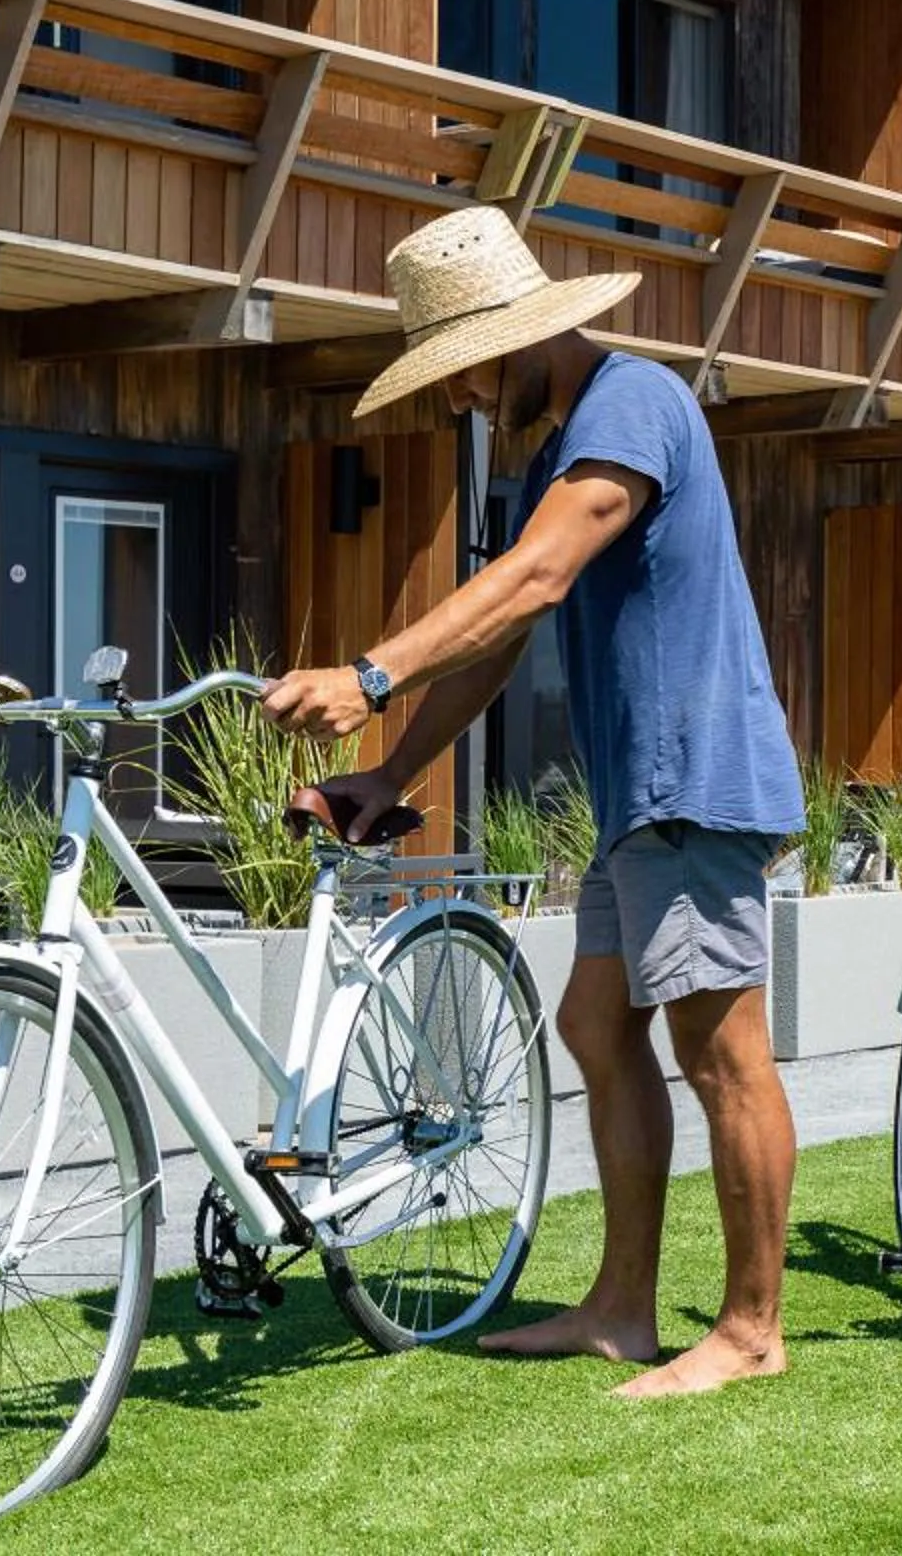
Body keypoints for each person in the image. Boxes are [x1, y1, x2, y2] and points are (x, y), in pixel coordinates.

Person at [263, 205, 804, 1400]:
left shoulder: (633, 405)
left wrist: (366, 674)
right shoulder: (560, 450)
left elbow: (540, 572)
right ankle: (620, 1305)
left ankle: (752, 1327)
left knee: (722, 1049)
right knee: (599, 1026)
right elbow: (506, 636)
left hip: (694, 777)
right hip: (638, 794)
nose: (458, 400)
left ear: (518, 336)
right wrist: (389, 774)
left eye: (462, 375)